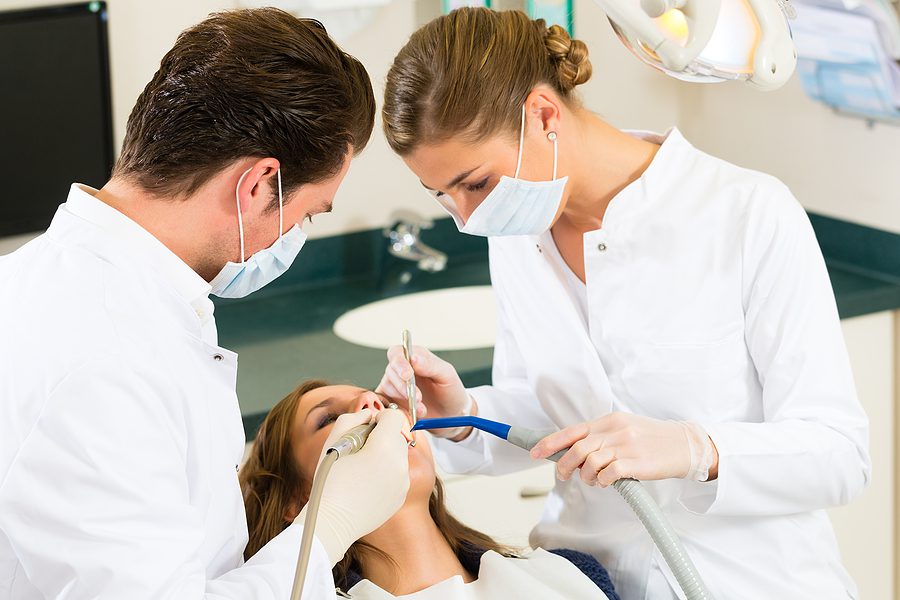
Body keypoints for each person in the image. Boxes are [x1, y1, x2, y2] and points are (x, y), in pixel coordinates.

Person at [375, 7, 870, 600]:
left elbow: (839, 454)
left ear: (543, 115)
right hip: (588, 581)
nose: (467, 218)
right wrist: (463, 414)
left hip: (753, 582)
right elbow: (553, 413)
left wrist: (695, 449)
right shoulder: (516, 235)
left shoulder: (746, 213)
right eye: (442, 195)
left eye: (476, 183)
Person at [0, 8, 410, 599]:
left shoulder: (74, 290)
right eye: (306, 214)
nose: (291, 238)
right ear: (256, 186)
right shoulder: (105, 355)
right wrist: (327, 532)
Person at [241, 380, 621, 599]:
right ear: (296, 501)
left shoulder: (573, 573)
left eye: (385, 403)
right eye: (330, 418)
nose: (374, 405)